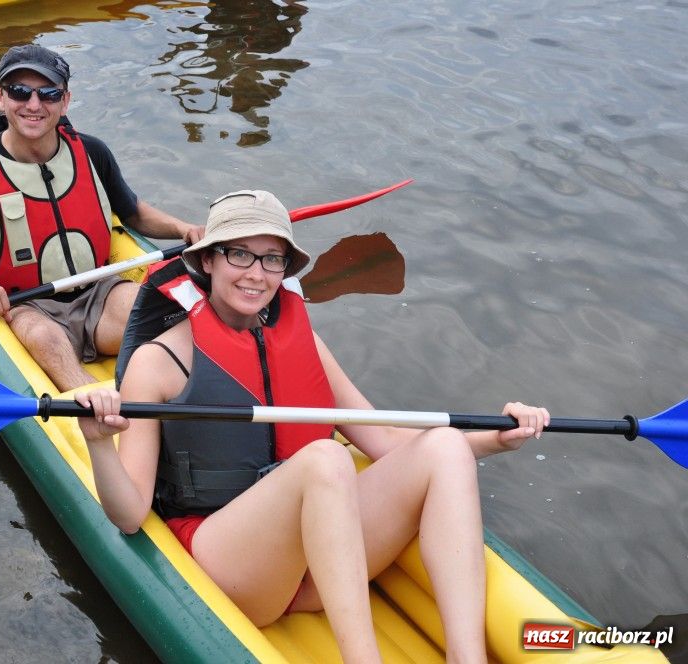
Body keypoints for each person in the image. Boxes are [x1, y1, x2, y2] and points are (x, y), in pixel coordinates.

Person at [74, 190, 550, 663]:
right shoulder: (157, 363)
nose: (256, 274)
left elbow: (383, 438)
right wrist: (98, 442)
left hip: (316, 570)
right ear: (207, 262)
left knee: (445, 446)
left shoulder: (302, 340)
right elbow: (130, 515)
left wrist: (496, 440)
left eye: (272, 259)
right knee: (326, 457)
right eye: (240, 254)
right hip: (236, 568)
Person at [0, 44, 202, 391]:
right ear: (0, 97)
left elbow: (134, 212)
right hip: (27, 307)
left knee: (172, 312)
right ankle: (94, 402)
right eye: (20, 92)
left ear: (65, 101)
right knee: (42, 336)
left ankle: (181, 395)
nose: (34, 105)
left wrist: (184, 229)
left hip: (99, 295)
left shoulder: (92, 151)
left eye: (48, 94)